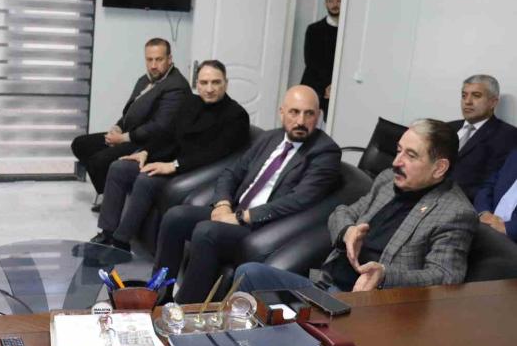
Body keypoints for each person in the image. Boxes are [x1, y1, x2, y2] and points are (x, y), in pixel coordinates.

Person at [235, 119, 477, 294]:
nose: (396, 162)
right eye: (398, 151)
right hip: (324, 284)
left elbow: (446, 277)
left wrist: (385, 275)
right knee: (249, 274)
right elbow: (343, 212)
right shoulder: (387, 181)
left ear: (439, 168)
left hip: (364, 305)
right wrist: (347, 231)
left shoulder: (454, 212)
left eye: (411, 156)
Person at [155, 85, 341, 304]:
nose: (301, 120)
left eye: (309, 114)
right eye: (294, 112)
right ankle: (158, 295)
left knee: (207, 232)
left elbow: (298, 200)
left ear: (318, 116)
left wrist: (243, 217)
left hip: (263, 228)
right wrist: (222, 204)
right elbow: (231, 173)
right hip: (234, 212)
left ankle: (185, 310)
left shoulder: (325, 152)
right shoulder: (270, 138)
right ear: (281, 112)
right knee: (175, 217)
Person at [91, 60, 250, 250]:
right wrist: (146, 152)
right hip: (170, 160)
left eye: (216, 82)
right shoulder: (191, 102)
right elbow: (168, 134)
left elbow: (214, 154)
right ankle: (107, 232)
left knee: (146, 179)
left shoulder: (236, 115)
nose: (209, 89)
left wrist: (173, 165)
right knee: (119, 167)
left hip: (196, 171)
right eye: (204, 82)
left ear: (226, 83)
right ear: (197, 84)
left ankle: (120, 241)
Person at [71, 38, 189, 209]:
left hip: (150, 143)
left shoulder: (176, 85)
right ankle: (113, 194)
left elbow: (160, 126)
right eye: (149, 59)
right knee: (80, 144)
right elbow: (130, 111)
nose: (153, 65)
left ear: (169, 59)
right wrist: (117, 127)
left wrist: (124, 138)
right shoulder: (145, 80)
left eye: (159, 59)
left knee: (99, 161)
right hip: (129, 134)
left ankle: (113, 202)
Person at [448, 74, 517, 201]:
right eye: (464, 95)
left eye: (476, 95)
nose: (467, 101)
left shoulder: (508, 136)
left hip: (465, 204)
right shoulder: (447, 128)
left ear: (493, 102)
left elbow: (490, 183)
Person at [300, 0, 341, 116]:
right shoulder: (314, 29)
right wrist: (326, 86)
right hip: (314, 84)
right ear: (326, 3)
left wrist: (334, 85)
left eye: (339, 0)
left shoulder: (350, 31)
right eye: (331, 0)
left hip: (339, 87)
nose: (335, 4)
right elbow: (310, 61)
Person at [474, 149, 517, 242]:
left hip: (510, 241)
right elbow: (488, 185)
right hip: (483, 224)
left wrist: (507, 228)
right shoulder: (514, 154)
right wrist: (484, 212)